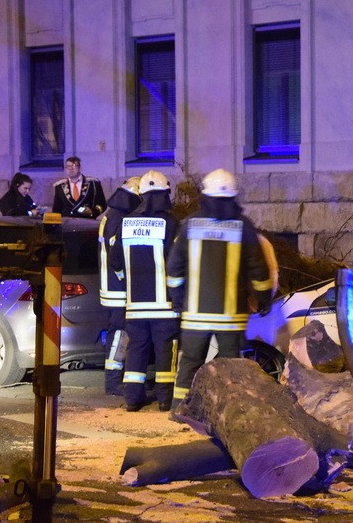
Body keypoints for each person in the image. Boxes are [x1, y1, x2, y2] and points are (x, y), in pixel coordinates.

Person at [166, 169, 274, 416]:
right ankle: (227, 413)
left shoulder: (190, 225)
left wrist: (178, 299)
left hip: (195, 315)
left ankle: (180, 410)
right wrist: (264, 299)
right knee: (231, 368)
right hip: (231, 317)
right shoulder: (243, 227)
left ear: (204, 196)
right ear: (234, 197)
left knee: (190, 363)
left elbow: (174, 267)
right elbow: (259, 269)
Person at [111, 170, 180, 412]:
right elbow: (175, 264)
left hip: (135, 306)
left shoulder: (125, 222)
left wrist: (127, 284)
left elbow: (116, 261)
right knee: (164, 350)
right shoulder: (170, 223)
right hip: (164, 306)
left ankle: (132, 398)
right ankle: (164, 399)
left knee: (136, 350)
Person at [97, 176, 142, 397]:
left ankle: (115, 378)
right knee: (119, 332)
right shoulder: (118, 218)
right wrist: (126, 279)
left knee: (120, 331)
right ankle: (112, 381)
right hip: (118, 288)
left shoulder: (110, 215)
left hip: (112, 287)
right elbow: (116, 257)